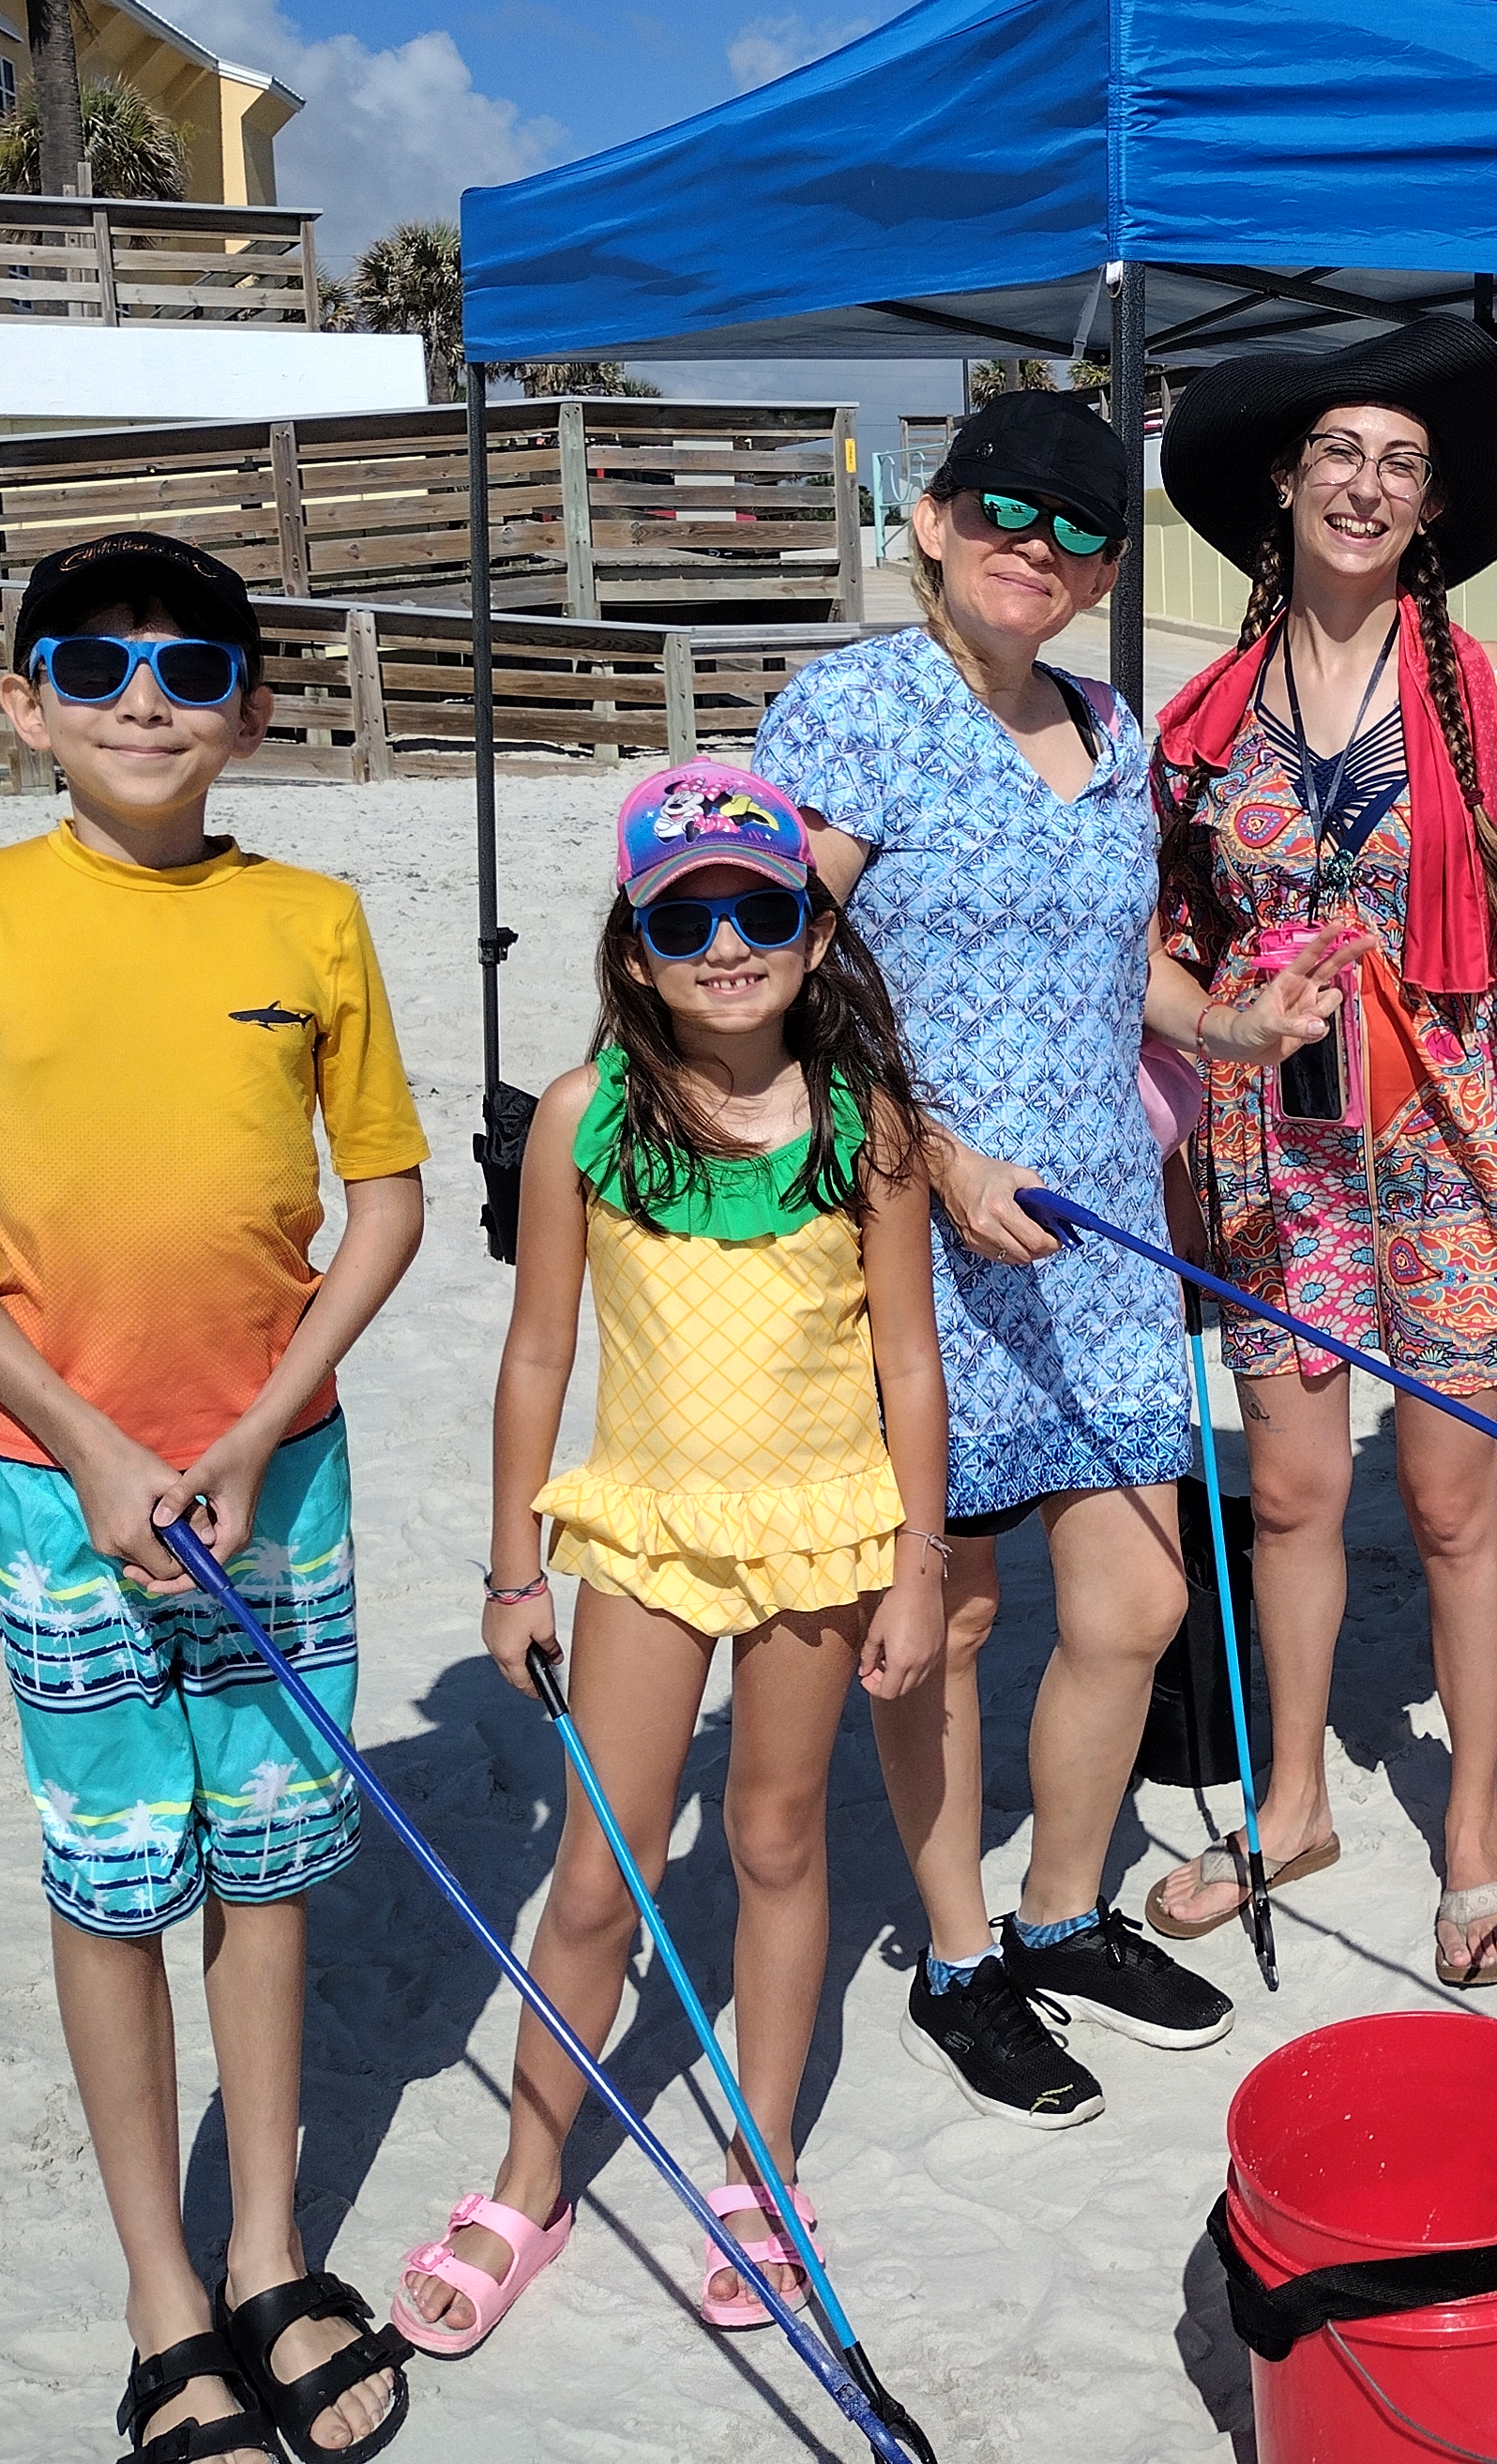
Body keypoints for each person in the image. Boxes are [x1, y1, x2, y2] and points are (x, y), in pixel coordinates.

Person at [0, 532, 422, 2463]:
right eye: (90, 666)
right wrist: (88, 1442)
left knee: (263, 1877)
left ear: (255, 707)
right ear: (21, 700)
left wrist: (261, 1426)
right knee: (114, 1886)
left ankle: (265, 2252)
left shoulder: (316, 921)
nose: (144, 700)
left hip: (281, 1474)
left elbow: (390, 1201)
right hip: (58, 1488)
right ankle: (160, 2290)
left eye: (192, 665)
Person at [748, 393, 1347, 2130]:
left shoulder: (1112, 725)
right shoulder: (859, 707)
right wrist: (928, 1155)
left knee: (1142, 1603)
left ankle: (1063, 1909)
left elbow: (1114, 961)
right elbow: (768, 964)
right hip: (908, 1234)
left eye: (1080, 530)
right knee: (959, 1613)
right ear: (929, 522)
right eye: (1003, 510)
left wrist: (1227, 1024)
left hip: (1092, 1231)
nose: (1041, 546)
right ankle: (958, 1956)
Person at [392, 764, 952, 2350]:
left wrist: (914, 1567)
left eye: (759, 910)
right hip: (642, 1535)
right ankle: (526, 2176)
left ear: (811, 932)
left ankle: (761, 2163)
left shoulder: (874, 1131)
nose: (726, 944)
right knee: (599, 1870)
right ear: (634, 947)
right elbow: (534, 1354)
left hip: (821, 1533)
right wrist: (515, 1567)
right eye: (686, 915)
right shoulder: (586, 1117)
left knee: (776, 1842)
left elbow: (910, 1365)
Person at [1144, 318, 1497, 1990]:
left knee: (1450, 1499)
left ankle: (1473, 1825)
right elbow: (1155, 940)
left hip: (1454, 1140)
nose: (1367, 484)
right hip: (1281, 1146)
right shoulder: (1196, 717)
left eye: (1401, 466)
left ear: (1432, 511)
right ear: (1282, 484)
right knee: (1290, 1497)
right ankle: (1294, 1805)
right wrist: (1212, 1028)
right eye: (1339, 453)